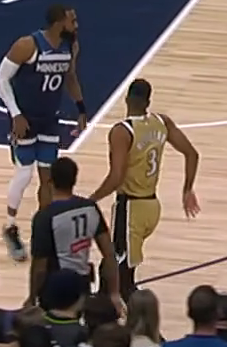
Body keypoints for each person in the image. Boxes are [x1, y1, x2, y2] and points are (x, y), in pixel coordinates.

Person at [84, 79, 201, 300]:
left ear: (127, 99)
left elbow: (116, 177)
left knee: (121, 277)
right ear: (148, 102)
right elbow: (192, 154)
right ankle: (107, 304)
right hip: (152, 207)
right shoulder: (162, 122)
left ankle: (130, 315)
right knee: (114, 264)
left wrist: (91, 200)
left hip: (131, 208)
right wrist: (187, 189)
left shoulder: (122, 131)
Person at [0, 4, 85, 261]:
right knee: (24, 173)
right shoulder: (27, 45)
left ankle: (44, 231)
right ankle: (10, 227)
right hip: (25, 120)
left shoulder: (70, 47)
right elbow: (0, 80)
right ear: (58, 23)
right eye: (72, 20)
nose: (76, 25)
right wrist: (15, 114)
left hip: (49, 120)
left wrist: (81, 108)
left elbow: (70, 78)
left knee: (49, 178)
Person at [28, 156, 118, 305]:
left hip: (56, 289)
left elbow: (39, 267)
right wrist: (114, 293)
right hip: (83, 283)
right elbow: (109, 254)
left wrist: (32, 298)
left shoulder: (45, 217)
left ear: (50, 182)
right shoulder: (90, 207)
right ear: (74, 180)